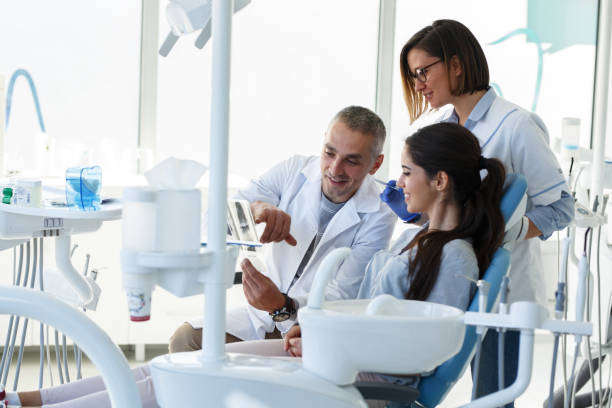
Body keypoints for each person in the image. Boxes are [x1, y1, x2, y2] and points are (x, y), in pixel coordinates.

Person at [7, 122, 505, 408]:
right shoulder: (419, 238)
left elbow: (418, 356)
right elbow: (372, 313)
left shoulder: (451, 255)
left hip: (352, 375)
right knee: (168, 364)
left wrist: (308, 328)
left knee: (177, 378)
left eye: (405, 172)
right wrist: (255, 218)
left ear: (440, 181)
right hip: (326, 351)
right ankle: (25, 400)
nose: (400, 184)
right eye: (329, 153)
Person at [381, 19, 574, 406]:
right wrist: (413, 208)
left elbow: (562, 208)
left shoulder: (516, 125)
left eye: (423, 72)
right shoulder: (441, 126)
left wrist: (509, 229)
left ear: (455, 64)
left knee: (492, 398)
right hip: (449, 282)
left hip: (503, 291)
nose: (418, 84)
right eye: (413, 75)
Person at [169, 105, 397, 351]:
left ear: (376, 164)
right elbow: (211, 222)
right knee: (185, 341)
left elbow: (343, 296)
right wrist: (253, 211)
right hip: (259, 317)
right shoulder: (293, 171)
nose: (335, 169)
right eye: (329, 153)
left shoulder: (380, 214)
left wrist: (282, 305)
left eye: (351, 161)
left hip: (311, 329)